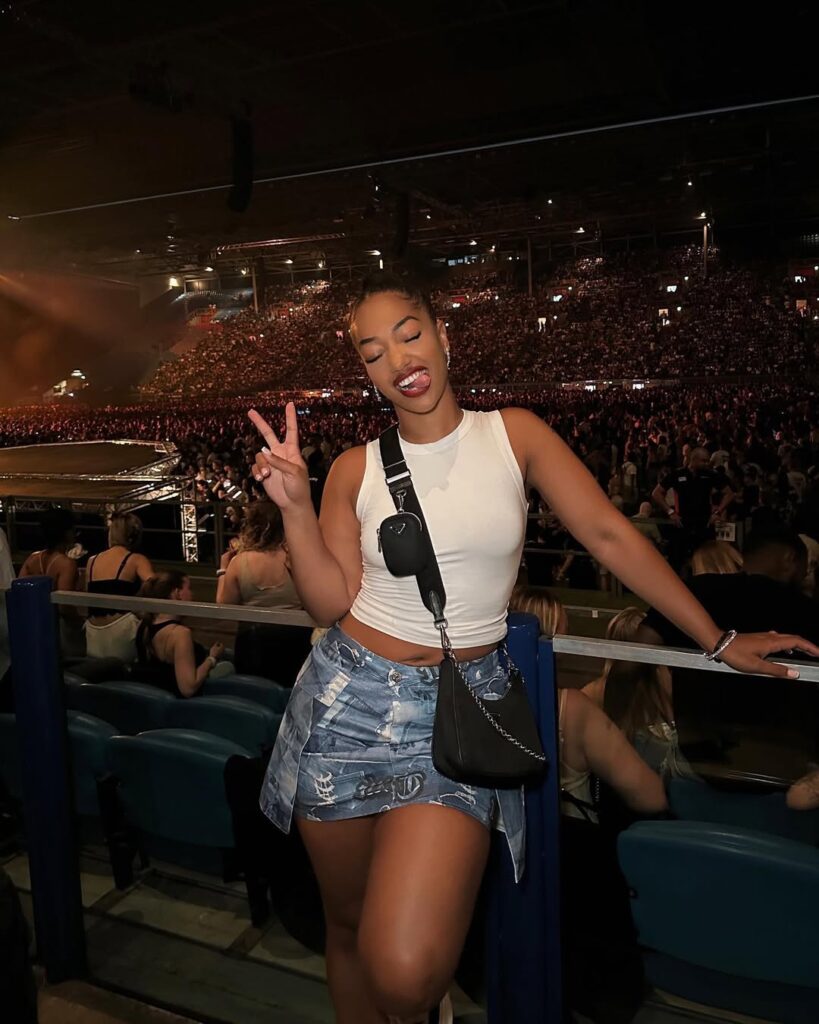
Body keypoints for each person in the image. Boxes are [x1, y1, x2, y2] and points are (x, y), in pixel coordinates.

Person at [248, 273, 815, 1024]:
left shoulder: (513, 434)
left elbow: (610, 535)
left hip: (459, 718)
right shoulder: (353, 468)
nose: (398, 358)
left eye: (410, 332)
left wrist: (716, 637)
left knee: (406, 971)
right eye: (373, 350)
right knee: (346, 931)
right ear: (365, 371)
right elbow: (328, 602)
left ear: (444, 335)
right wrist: (292, 507)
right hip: (345, 702)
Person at [640, 527, 819, 649]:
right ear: (790, 559)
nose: (805, 577)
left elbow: (637, 652)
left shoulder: (693, 593)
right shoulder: (805, 612)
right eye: (805, 569)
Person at [216, 501, 311, 685]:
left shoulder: (239, 562)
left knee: (255, 692)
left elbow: (223, 606)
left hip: (253, 642)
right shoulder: (297, 557)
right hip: (295, 638)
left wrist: (222, 569)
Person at [134, 571, 230, 697]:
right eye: (189, 588)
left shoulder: (144, 625)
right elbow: (188, 688)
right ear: (177, 593)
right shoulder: (179, 634)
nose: (192, 594)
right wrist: (212, 658)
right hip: (183, 707)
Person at [84, 512, 154, 663]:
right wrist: (137, 603)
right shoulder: (136, 560)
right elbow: (155, 586)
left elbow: (88, 596)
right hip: (122, 630)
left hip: (93, 630)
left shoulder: (91, 561)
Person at [18, 507, 84, 657]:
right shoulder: (67, 564)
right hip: (57, 633)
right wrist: (80, 622)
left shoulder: (32, 559)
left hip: (33, 626)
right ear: (66, 532)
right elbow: (64, 604)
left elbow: (19, 591)